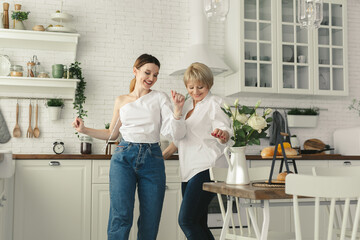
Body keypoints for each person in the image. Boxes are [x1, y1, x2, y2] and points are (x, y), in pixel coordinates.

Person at [72, 54, 186, 240]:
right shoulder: (121, 100)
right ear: (135, 71)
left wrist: (177, 111)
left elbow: (172, 132)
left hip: (152, 158)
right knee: (121, 216)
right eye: (147, 72)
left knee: (151, 218)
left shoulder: (160, 98)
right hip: (123, 157)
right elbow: (112, 135)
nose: (151, 78)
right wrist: (84, 129)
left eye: (156, 75)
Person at [162, 62, 232, 240]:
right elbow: (178, 136)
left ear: (209, 84)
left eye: (200, 86)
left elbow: (224, 128)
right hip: (189, 170)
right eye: (190, 87)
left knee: (186, 221)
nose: (195, 91)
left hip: (208, 166)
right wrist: (177, 111)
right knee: (198, 222)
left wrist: (222, 134)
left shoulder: (215, 103)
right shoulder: (185, 106)